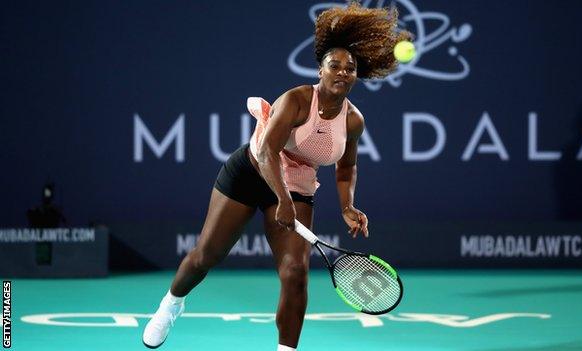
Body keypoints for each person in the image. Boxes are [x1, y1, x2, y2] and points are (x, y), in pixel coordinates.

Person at [142, 3, 410, 350]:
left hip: (297, 188)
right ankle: (171, 304)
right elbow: (268, 151)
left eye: (350, 68)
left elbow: (346, 166)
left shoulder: (353, 121)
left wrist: (348, 205)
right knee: (205, 256)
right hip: (251, 173)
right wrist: (281, 200)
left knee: (295, 274)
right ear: (320, 70)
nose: (343, 73)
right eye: (335, 66)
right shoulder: (297, 101)